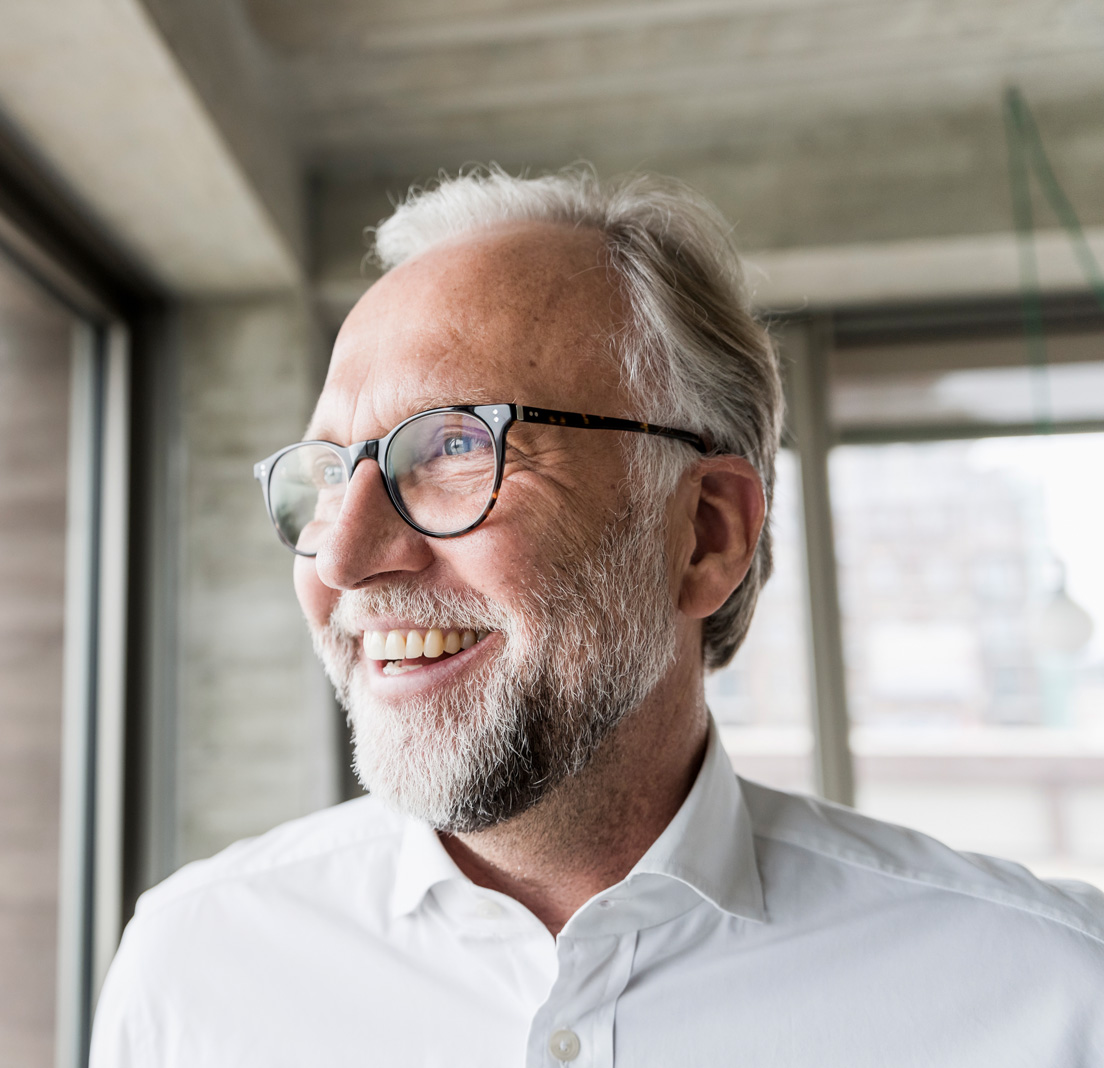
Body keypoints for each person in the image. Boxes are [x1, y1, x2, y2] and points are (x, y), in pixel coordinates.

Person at [90, 168, 1104, 1067]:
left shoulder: (1056, 998)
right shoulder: (194, 967)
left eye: (451, 447)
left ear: (705, 533)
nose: (344, 561)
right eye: (326, 475)